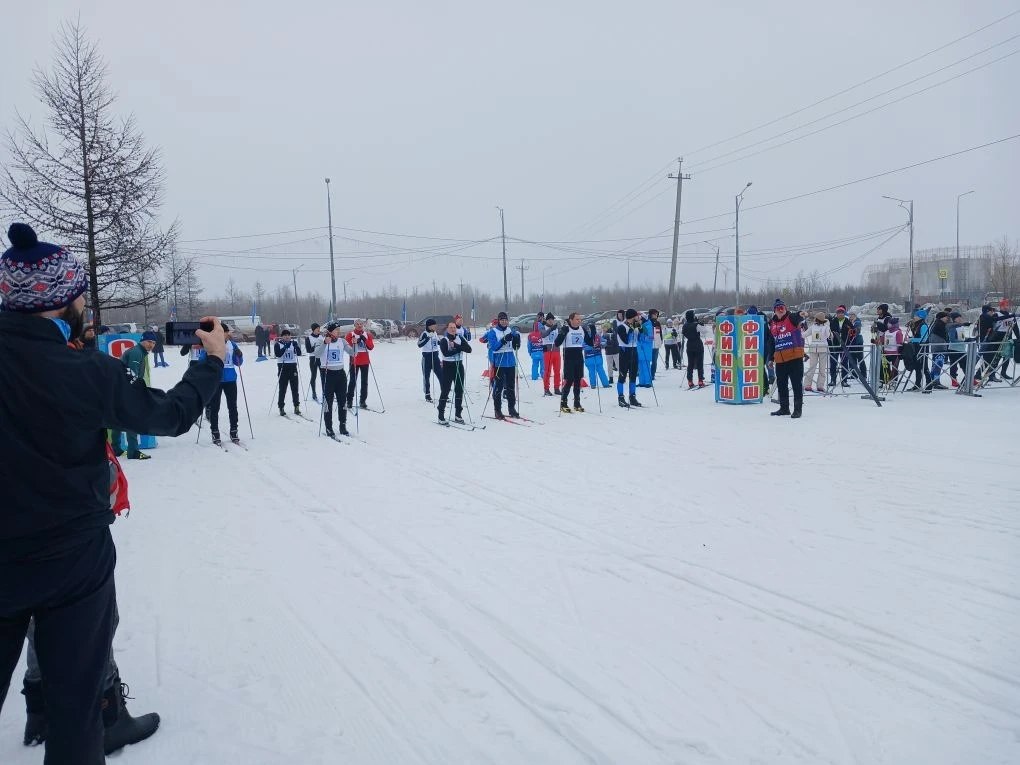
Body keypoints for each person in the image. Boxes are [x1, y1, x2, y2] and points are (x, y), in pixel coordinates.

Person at [0, 222, 225, 764]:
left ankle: (38, 709)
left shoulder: (80, 363)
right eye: (77, 292)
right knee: (77, 710)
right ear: (60, 301)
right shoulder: (85, 371)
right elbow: (168, 415)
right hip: (70, 560)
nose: (82, 300)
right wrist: (211, 360)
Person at [110, 331, 157, 460]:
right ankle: (133, 451)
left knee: (118, 419)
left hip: (119, 389)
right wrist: (137, 393)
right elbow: (132, 376)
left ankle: (116, 448)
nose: (151, 345)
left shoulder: (139, 352)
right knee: (132, 419)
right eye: (149, 341)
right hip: (126, 391)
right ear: (142, 340)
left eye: (153, 343)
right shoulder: (137, 352)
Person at [206, 323, 244, 445]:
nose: (229, 334)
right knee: (214, 407)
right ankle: (215, 431)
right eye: (226, 332)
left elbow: (238, 363)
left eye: (228, 332)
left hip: (230, 380)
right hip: (215, 380)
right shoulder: (210, 345)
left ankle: (234, 430)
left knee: (232, 406)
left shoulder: (232, 344)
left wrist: (239, 355)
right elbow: (202, 360)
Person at [767, 298, 805, 418]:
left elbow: (798, 316)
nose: (780, 310)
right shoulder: (772, 324)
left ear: (786, 309)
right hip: (780, 359)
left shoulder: (791, 318)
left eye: (782, 307)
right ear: (774, 311)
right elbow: (772, 343)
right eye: (778, 308)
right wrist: (771, 359)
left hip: (795, 357)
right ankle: (784, 408)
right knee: (782, 385)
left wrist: (801, 314)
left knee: (796, 384)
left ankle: (797, 409)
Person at [321, 322, 356, 437]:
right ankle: (329, 427)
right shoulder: (323, 341)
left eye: (339, 330)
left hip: (340, 375)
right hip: (328, 374)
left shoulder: (342, 341)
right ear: (330, 331)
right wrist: (324, 344)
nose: (339, 332)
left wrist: (355, 345)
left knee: (342, 401)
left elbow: (353, 353)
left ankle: (342, 425)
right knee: (328, 403)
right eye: (336, 330)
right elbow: (316, 354)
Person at [483, 312, 520, 419]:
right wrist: (503, 340)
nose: (504, 322)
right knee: (498, 387)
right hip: (499, 363)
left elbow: (515, 346)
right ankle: (497, 410)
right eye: (502, 320)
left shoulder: (510, 330)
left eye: (505, 320)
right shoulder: (493, 332)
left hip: (511, 362)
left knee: (510, 387)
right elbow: (494, 347)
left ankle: (511, 408)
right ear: (499, 321)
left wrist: (517, 340)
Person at [555, 312, 592, 413]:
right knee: (569, 379)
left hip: (579, 356)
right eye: (577, 319)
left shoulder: (582, 329)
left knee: (578, 380)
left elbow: (590, 343)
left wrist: (592, 332)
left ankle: (577, 403)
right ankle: (563, 402)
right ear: (571, 320)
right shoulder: (566, 329)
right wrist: (562, 333)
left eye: (580, 319)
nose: (579, 321)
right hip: (569, 356)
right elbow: (557, 343)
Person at [437, 320, 473, 423]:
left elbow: (469, 349)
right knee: (445, 391)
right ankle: (441, 415)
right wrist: (459, 349)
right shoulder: (444, 340)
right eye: (451, 328)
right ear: (447, 329)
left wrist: (456, 346)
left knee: (459, 390)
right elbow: (446, 353)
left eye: (454, 328)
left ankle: (458, 414)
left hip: (458, 365)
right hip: (447, 367)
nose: (453, 329)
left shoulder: (460, 338)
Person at [616, 309, 643, 407]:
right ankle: (621, 398)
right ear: (632, 317)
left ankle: (632, 397)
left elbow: (642, 334)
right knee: (622, 376)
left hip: (634, 351)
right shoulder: (621, 327)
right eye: (636, 316)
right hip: (624, 352)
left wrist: (640, 326)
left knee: (633, 375)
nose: (638, 317)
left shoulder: (635, 325)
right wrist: (632, 328)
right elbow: (626, 340)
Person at [345, 319, 374, 409]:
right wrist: (356, 341)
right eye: (357, 324)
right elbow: (348, 346)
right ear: (354, 325)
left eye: (361, 324)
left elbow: (371, 347)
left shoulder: (367, 334)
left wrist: (364, 340)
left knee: (364, 382)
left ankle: (362, 401)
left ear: (363, 325)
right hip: (354, 361)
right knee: (352, 381)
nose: (359, 325)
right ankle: (349, 401)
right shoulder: (350, 334)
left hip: (365, 361)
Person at [274, 328, 302, 415]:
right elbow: (278, 354)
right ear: (282, 337)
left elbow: (299, 353)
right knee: (282, 389)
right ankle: (281, 407)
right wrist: (285, 347)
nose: (287, 337)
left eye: (288, 335)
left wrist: (296, 346)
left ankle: (296, 406)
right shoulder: (278, 344)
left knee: (295, 389)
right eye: (285, 335)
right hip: (283, 368)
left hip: (292, 367)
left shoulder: (293, 343)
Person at [803, 312, 831, 392]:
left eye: (816, 318)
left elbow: (828, 336)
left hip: (823, 349)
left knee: (822, 369)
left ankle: (820, 385)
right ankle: (807, 385)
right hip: (813, 349)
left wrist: (827, 327)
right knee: (812, 367)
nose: (814, 319)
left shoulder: (826, 326)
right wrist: (798, 332)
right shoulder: (813, 327)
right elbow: (805, 334)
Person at [417, 318, 442, 403]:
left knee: (441, 375)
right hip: (427, 358)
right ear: (429, 326)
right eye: (434, 325)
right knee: (426, 377)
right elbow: (419, 344)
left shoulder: (435, 333)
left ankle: (444, 394)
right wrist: (427, 338)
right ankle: (427, 395)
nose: (435, 326)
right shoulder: (424, 333)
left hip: (435, 357)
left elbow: (438, 342)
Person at [926, 311, 951, 390]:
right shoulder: (939, 324)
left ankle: (933, 380)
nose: (947, 318)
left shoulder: (937, 324)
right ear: (941, 317)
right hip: (939, 347)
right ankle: (936, 381)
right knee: (938, 364)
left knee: (935, 364)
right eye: (946, 317)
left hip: (937, 347)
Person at [828, 305, 852, 387]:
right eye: (839, 313)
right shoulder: (833, 321)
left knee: (844, 363)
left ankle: (844, 380)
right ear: (837, 314)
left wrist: (851, 332)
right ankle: (833, 380)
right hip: (834, 345)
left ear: (844, 313)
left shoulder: (848, 321)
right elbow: (828, 332)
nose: (840, 314)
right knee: (833, 363)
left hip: (844, 345)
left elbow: (853, 333)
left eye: (842, 313)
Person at [540, 313, 562, 396]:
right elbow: (543, 334)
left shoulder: (556, 328)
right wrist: (551, 329)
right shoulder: (543, 327)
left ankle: (557, 388)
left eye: (552, 319)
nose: (551, 321)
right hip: (548, 352)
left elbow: (562, 335)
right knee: (548, 371)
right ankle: (546, 389)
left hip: (556, 351)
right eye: (549, 319)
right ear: (546, 320)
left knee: (557, 371)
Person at [682, 310, 705, 388]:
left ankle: (690, 381)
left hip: (689, 345)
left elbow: (683, 333)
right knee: (699, 363)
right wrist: (700, 324)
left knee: (690, 364)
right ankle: (700, 380)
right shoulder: (696, 325)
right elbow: (705, 331)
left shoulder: (685, 325)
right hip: (698, 344)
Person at [583, 323, 610, 389]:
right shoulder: (597, 335)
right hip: (597, 356)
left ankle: (593, 385)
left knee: (591, 371)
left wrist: (589, 347)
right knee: (600, 370)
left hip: (589, 356)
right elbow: (604, 342)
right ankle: (605, 384)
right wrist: (599, 344)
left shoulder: (583, 336)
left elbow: (582, 346)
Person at [305, 323, 325, 401]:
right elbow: (308, 350)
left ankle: (324, 392)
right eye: (317, 329)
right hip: (313, 358)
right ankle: (314, 392)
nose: (319, 330)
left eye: (319, 329)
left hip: (321, 358)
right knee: (314, 375)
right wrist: (316, 346)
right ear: (313, 329)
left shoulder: (321, 337)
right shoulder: (309, 338)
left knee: (323, 375)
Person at [883, 316, 904, 386]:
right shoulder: (886, 332)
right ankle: (887, 380)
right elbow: (882, 340)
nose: (887, 325)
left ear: (893, 324)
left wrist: (899, 351)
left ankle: (894, 381)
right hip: (886, 352)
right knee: (886, 368)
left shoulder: (898, 332)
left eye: (889, 323)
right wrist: (875, 341)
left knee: (894, 368)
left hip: (895, 353)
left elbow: (900, 343)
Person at [636, 311, 654, 387]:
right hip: (640, 348)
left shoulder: (648, 326)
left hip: (646, 349)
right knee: (640, 366)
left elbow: (650, 338)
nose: (639, 320)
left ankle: (648, 382)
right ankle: (642, 381)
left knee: (646, 366)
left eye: (640, 319)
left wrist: (643, 337)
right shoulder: (639, 325)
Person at [648, 309, 663, 380]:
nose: (656, 315)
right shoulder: (647, 322)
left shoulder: (657, 323)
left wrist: (661, 340)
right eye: (654, 314)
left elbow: (660, 333)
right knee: (648, 360)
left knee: (654, 361)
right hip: (648, 345)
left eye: (657, 314)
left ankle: (652, 374)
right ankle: (647, 374)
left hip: (656, 344)